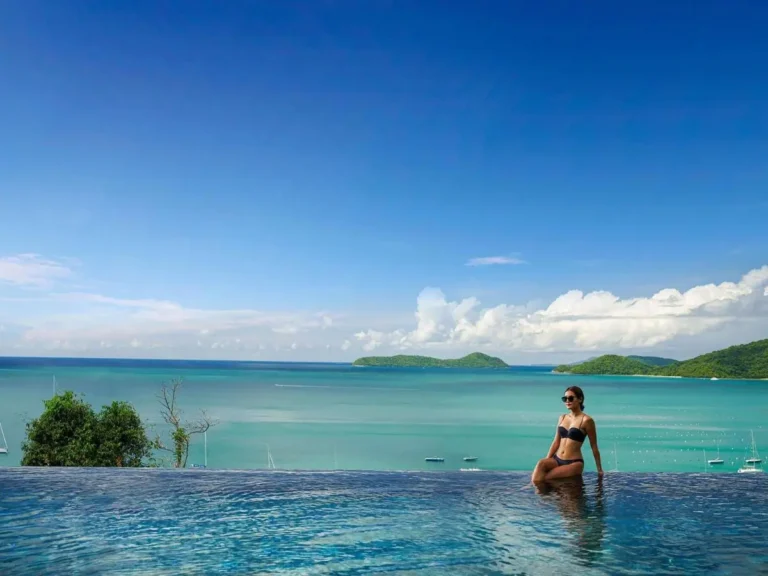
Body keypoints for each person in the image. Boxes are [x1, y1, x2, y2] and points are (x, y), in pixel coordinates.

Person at [531, 386, 603, 483]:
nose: (567, 401)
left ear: (580, 399)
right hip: (557, 459)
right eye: (565, 399)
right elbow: (556, 442)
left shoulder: (587, 420)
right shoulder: (562, 417)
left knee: (546, 479)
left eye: (571, 398)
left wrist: (599, 469)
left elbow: (594, 446)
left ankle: (532, 489)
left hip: (573, 463)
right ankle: (531, 488)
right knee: (541, 464)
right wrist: (547, 460)